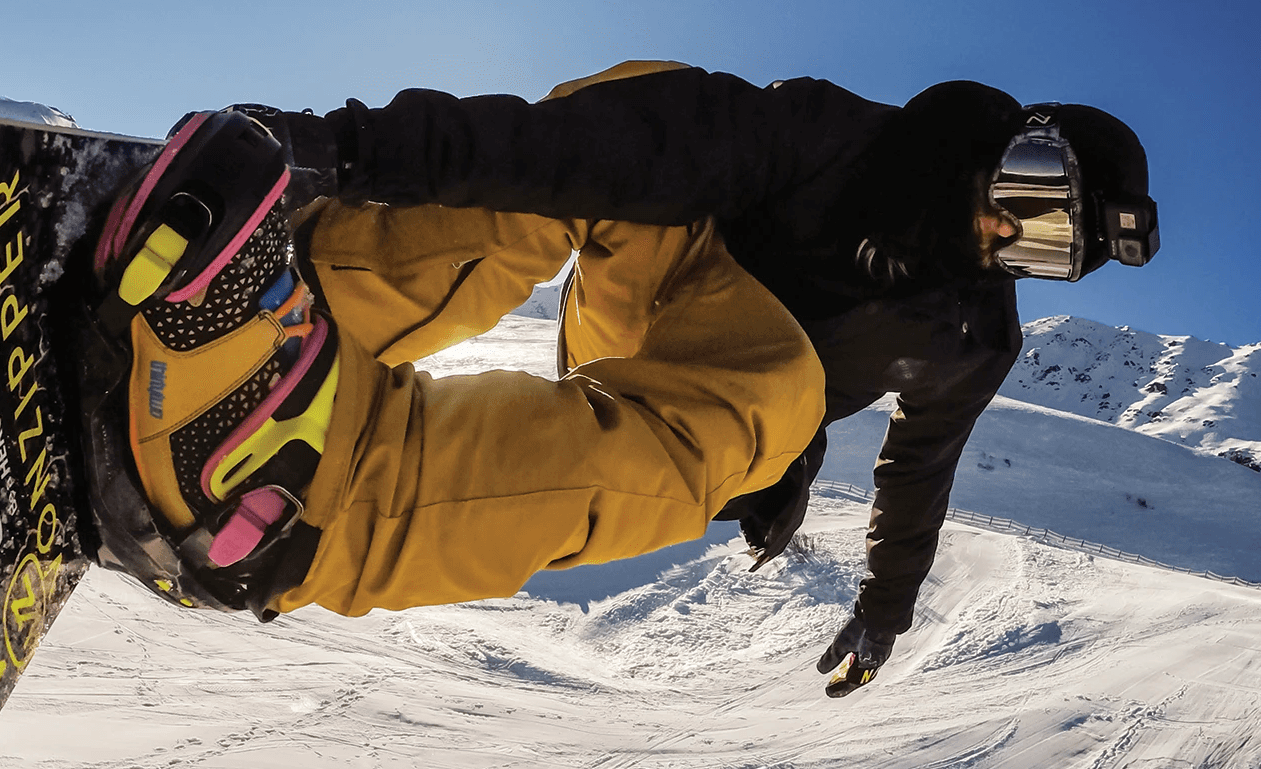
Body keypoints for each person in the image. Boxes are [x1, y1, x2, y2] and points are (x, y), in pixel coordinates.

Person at [75, 61, 1156, 696]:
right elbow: (609, 142)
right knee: (629, 125)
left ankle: (310, 508)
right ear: (1011, 142)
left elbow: (917, 472)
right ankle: (283, 278)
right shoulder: (845, 142)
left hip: (709, 386)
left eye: (1048, 244)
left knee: (774, 409)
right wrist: (339, 150)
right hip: (652, 272)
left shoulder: (973, 337)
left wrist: (885, 609)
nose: (1007, 225)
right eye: (1029, 186)